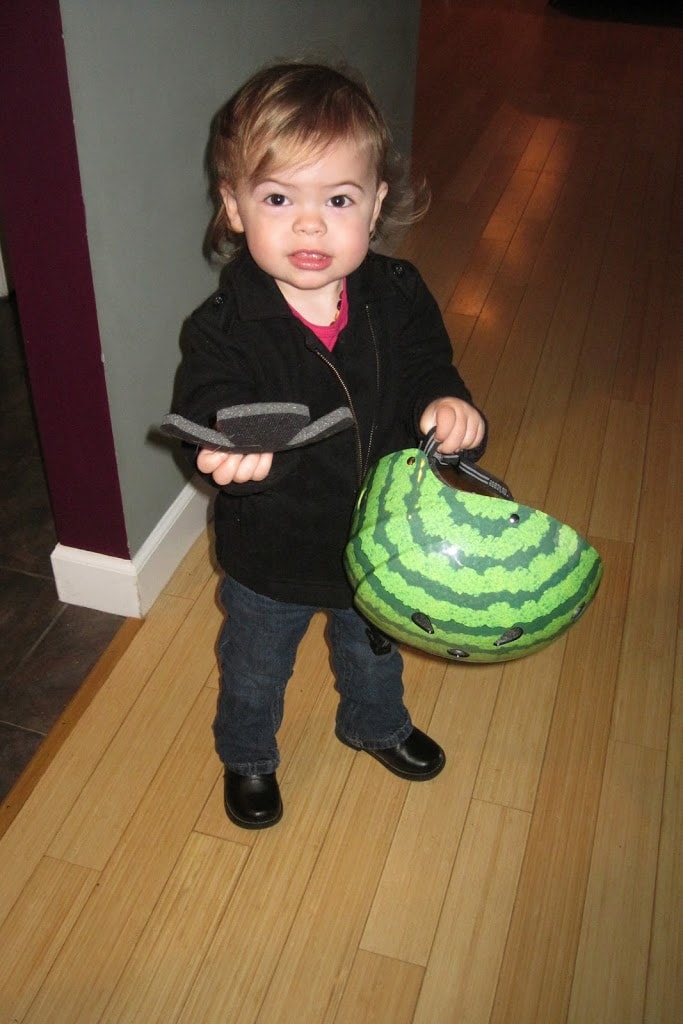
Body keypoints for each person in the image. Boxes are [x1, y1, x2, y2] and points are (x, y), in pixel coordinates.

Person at [170, 60, 487, 829]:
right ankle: (248, 754)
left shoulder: (398, 294)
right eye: (278, 198)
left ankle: (374, 725)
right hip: (272, 555)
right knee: (253, 670)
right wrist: (227, 459)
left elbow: (429, 367)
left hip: (381, 543)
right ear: (234, 207)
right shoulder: (222, 329)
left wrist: (450, 407)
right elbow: (206, 411)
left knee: (374, 653)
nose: (309, 225)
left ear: (374, 205)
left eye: (337, 199)